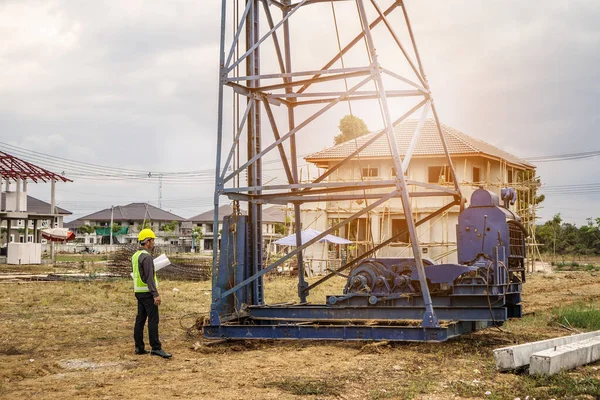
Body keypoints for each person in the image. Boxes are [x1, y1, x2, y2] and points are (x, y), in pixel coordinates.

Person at [132, 228, 172, 358]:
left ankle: (139, 347)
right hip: (148, 293)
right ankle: (156, 348)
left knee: (140, 319)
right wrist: (155, 294)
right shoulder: (147, 257)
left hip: (138, 291)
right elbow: (149, 278)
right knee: (153, 320)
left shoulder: (135, 256)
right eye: (153, 240)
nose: (153, 243)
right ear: (147, 241)